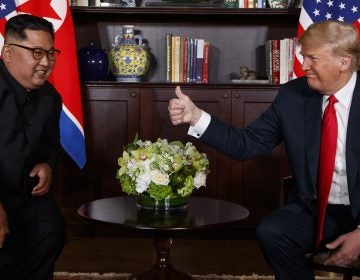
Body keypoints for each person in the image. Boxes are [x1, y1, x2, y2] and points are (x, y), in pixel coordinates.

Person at [168, 20, 360, 280]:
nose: (304, 67)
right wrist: (195, 116)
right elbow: (247, 144)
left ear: (344, 62)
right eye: (303, 57)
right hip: (315, 210)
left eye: (313, 58)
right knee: (273, 231)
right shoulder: (293, 96)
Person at [0, 14, 66, 279]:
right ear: (8, 53)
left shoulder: (50, 98)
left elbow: (51, 143)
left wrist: (47, 165)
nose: (45, 62)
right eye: (36, 53)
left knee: (51, 230)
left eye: (50, 53)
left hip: (23, 193)